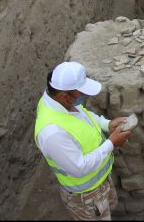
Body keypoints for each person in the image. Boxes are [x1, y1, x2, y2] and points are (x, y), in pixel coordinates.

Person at [34, 61, 132, 220]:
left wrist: (107, 124)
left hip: (100, 182)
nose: (84, 97)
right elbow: (79, 168)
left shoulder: (60, 101)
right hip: (86, 197)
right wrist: (111, 143)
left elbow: (83, 115)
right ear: (65, 96)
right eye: (81, 93)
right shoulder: (52, 133)